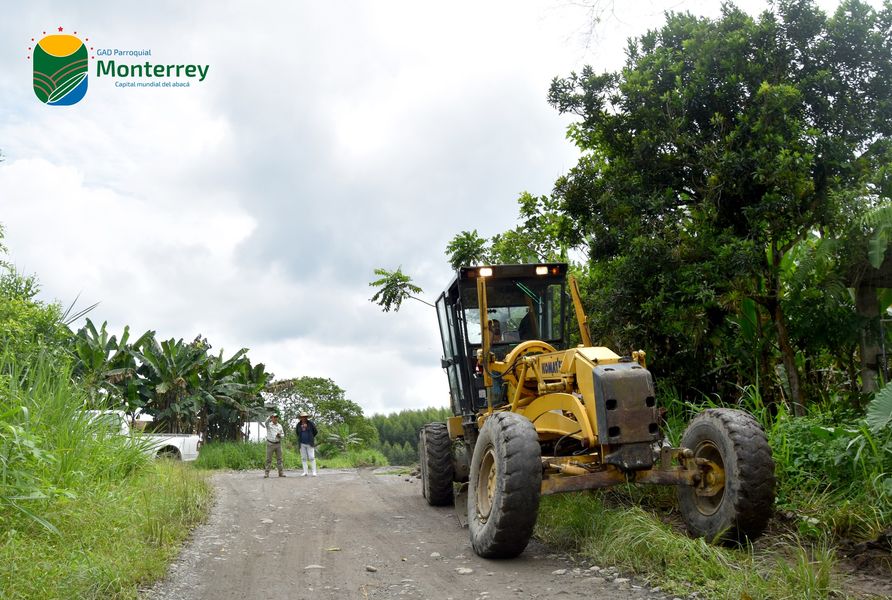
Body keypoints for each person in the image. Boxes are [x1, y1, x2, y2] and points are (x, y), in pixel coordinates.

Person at [296, 412, 318, 477]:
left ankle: (314, 472)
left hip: (309, 443)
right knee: (303, 458)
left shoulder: (310, 423)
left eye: (305, 417)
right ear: (300, 418)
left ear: (306, 417)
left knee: (311, 457)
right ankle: (305, 472)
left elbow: (315, 431)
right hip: (302, 443)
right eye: (302, 417)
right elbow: (297, 432)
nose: (304, 418)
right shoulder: (298, 424)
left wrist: (311, 436)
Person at [264, 413, 285, 478]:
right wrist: (269, 416)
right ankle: (266, 473)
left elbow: (283, 434)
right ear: (272, 418)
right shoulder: (269, 425)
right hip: (270, 444)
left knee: (280, 459)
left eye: (276, 417)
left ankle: (281, 473)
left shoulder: (280, 426)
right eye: (274, 417)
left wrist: (280, 435)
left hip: (278, 444)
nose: (275, 418)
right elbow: (266, 422)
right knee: (268, 459)